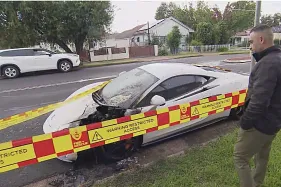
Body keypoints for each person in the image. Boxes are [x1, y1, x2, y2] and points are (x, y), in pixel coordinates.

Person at [233, 24, 281, 187]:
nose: (250, 46)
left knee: (240, 156)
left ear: (261, 39)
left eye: (251, 42)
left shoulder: (266, 64)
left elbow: (259, 101)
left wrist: (245, 123)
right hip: (274, 122)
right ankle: (257, 183)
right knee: (262, 155)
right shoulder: (278, 58)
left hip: (260, 124)